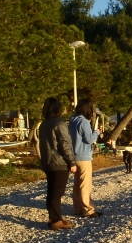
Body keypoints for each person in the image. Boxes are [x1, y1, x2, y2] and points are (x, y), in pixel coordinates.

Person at [39, 97, 77, 231]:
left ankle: (54, 217)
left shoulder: (44, 124)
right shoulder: (59, 123)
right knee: (57, 193)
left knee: (51, 191)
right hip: (59, 162)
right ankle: (56, 220)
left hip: (48, 162)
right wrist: (71, 161)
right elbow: (65, 144)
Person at [69, 99, 103, 218]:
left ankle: (77, 208)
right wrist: (97, 132)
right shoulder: (84, 122)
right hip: (84, 157)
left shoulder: (72, 121)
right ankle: (88, 209)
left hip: (74, 157)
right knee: (85, 184)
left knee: (77, 184)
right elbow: (89, 139)